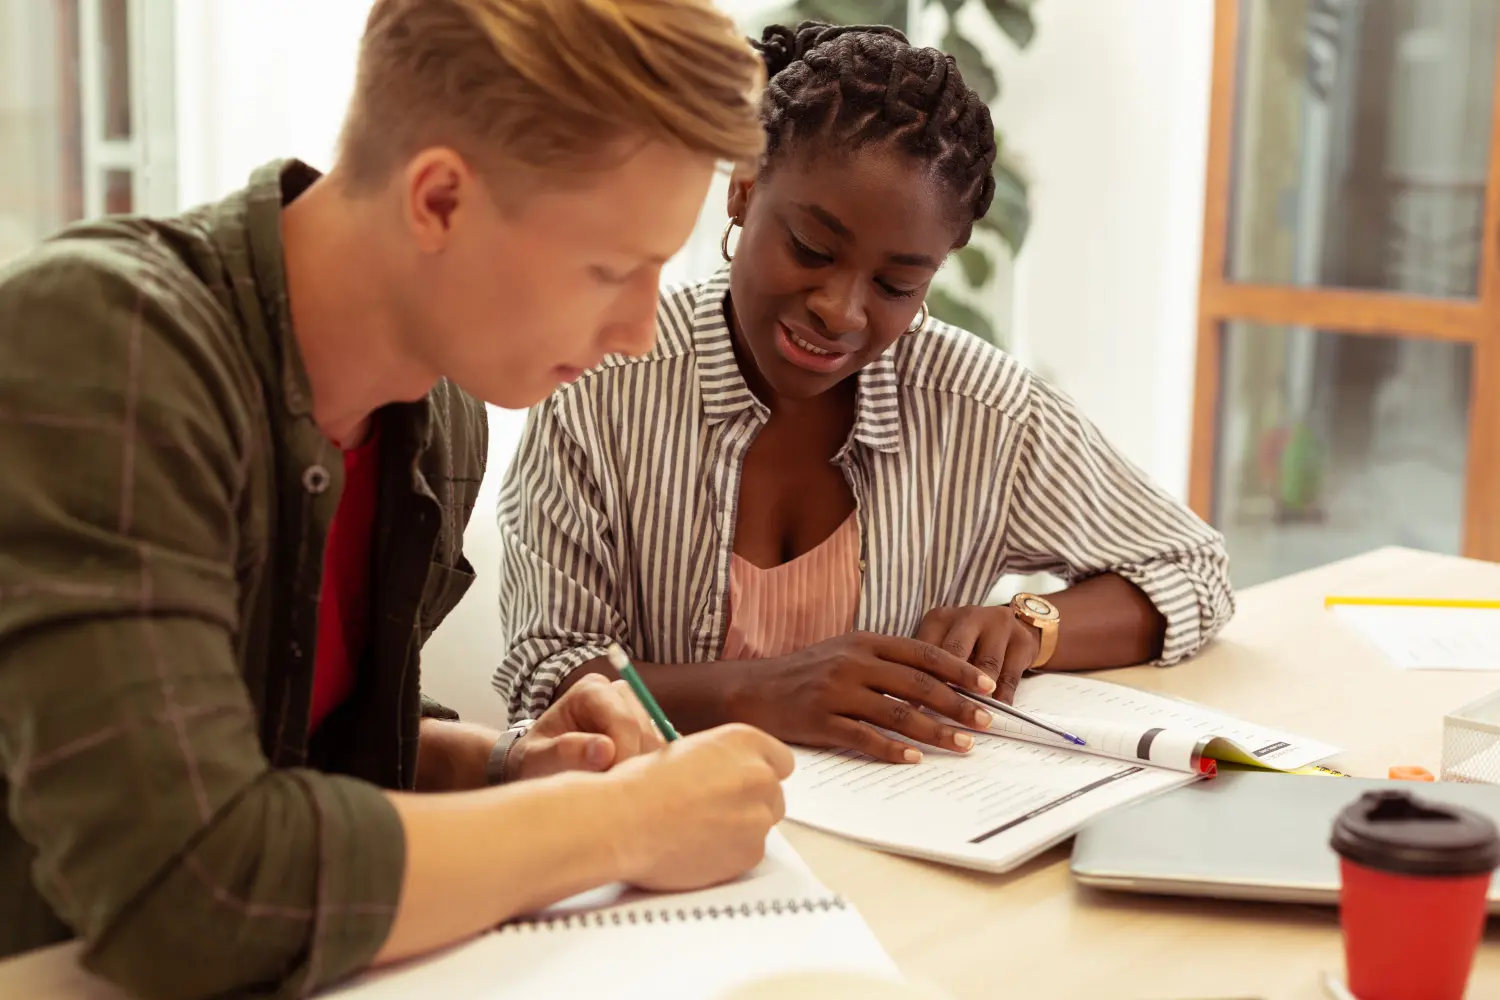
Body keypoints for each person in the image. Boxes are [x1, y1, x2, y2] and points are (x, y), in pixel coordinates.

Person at [0, 2, 796, 997]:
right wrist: (625, 822)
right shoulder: (104, 345)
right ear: (440, 202)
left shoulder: (437, 409)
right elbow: (190, 886)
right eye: (611, 269)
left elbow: (299, 748)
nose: (640, 330)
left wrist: (512, 767)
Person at [495, 21, 1236, 766]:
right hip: (653, 846)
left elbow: (1191, 570)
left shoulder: (981, 409)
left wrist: (1030, 623)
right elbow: (545, 677)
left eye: (896, 284)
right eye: (812, 250)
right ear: (744, 191)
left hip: (902, 843)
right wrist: (754, 693)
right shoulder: (602, 387)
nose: (841, 311)